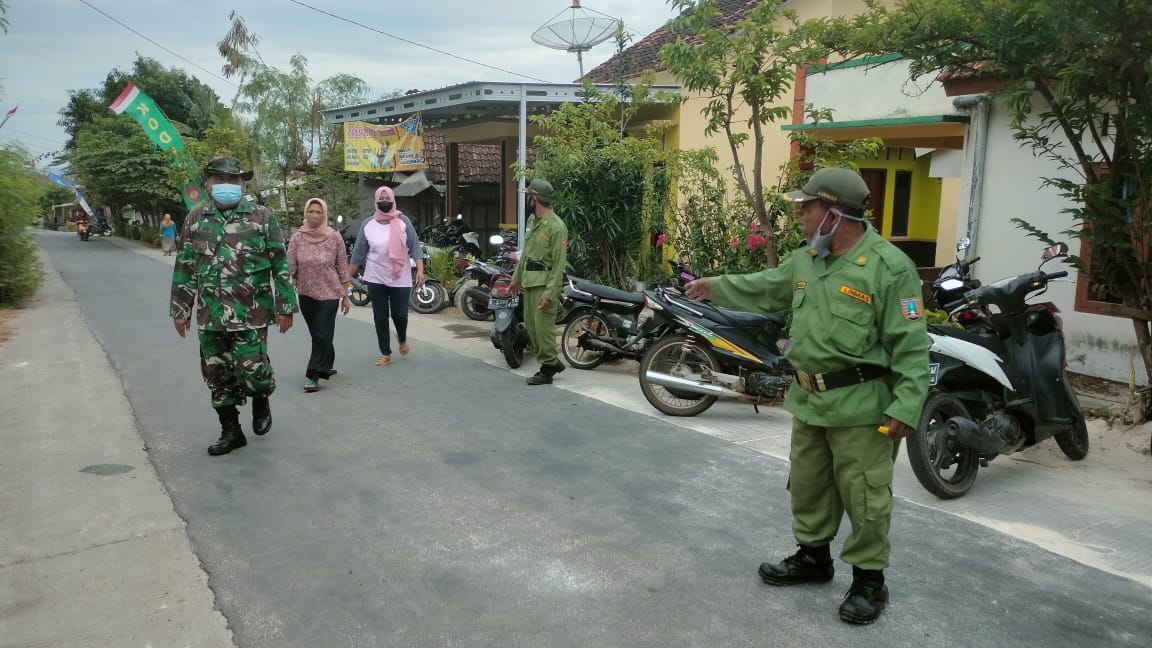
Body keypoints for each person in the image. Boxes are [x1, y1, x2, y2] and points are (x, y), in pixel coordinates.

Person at [683, 167, 929, 625]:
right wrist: (711, 287)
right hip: (810, 400)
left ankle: (869, 580)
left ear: (835, 215)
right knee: (809, 485)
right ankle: (814, 558)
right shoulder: (806, 261)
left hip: (862, 405)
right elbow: (763, 286)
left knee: (865, 495)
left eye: (807, 207)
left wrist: (907, 406)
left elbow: (911, 346)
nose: (799, 214)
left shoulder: (890, 268)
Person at [170, 157, 298, 456]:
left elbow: (280, 263)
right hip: (210, 313)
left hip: (251, 311)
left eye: (234, 180)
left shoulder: (262, 217)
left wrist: (285, 306)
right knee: (216, 373)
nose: (228, 186)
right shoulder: (195, 219)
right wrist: (180, 308)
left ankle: (260, 395)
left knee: (253, 369)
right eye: (221, 180)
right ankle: (231, 431)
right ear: (208, 185)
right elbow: (185, 265)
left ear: (243, 184)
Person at [347, 185, 425, 367]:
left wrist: (420, 271)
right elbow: (358, 254)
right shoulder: (368, 224)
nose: (384, 202)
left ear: (393, 199)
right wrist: (344, 280)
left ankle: (402, 338)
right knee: (380, 316)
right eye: (380, 200)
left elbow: (415, 248)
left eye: (387, 199)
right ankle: (385, 352)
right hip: (375, 276)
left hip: (400, 276)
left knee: (399, 315)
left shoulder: (403, 221)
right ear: (376, 201)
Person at [287, 197, 351, 392]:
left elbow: (342, 266)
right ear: (305, 213)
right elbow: (289, 265)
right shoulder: (297, 237)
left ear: (325, 214)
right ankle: (327, 361)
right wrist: (285, 290)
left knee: (322, 331)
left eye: (318, 212)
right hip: (306, 293)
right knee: (317, 333)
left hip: (330, 293)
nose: (314, 215)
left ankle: (313, 374)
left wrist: (346, 295)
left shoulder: (334, 237)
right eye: (311, 211)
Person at [509, 178, 568, 386]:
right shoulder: (534, 222)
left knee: (543, 330)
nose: (527, 200)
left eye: (529, 197)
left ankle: (547, 369)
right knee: (532, 329)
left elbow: (559, 265)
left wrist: (550, 294)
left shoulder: (556, 227)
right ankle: (552, 362)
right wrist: (516, 279)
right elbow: (526, 255)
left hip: (544, 285)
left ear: (536, 198)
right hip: (530, 281)